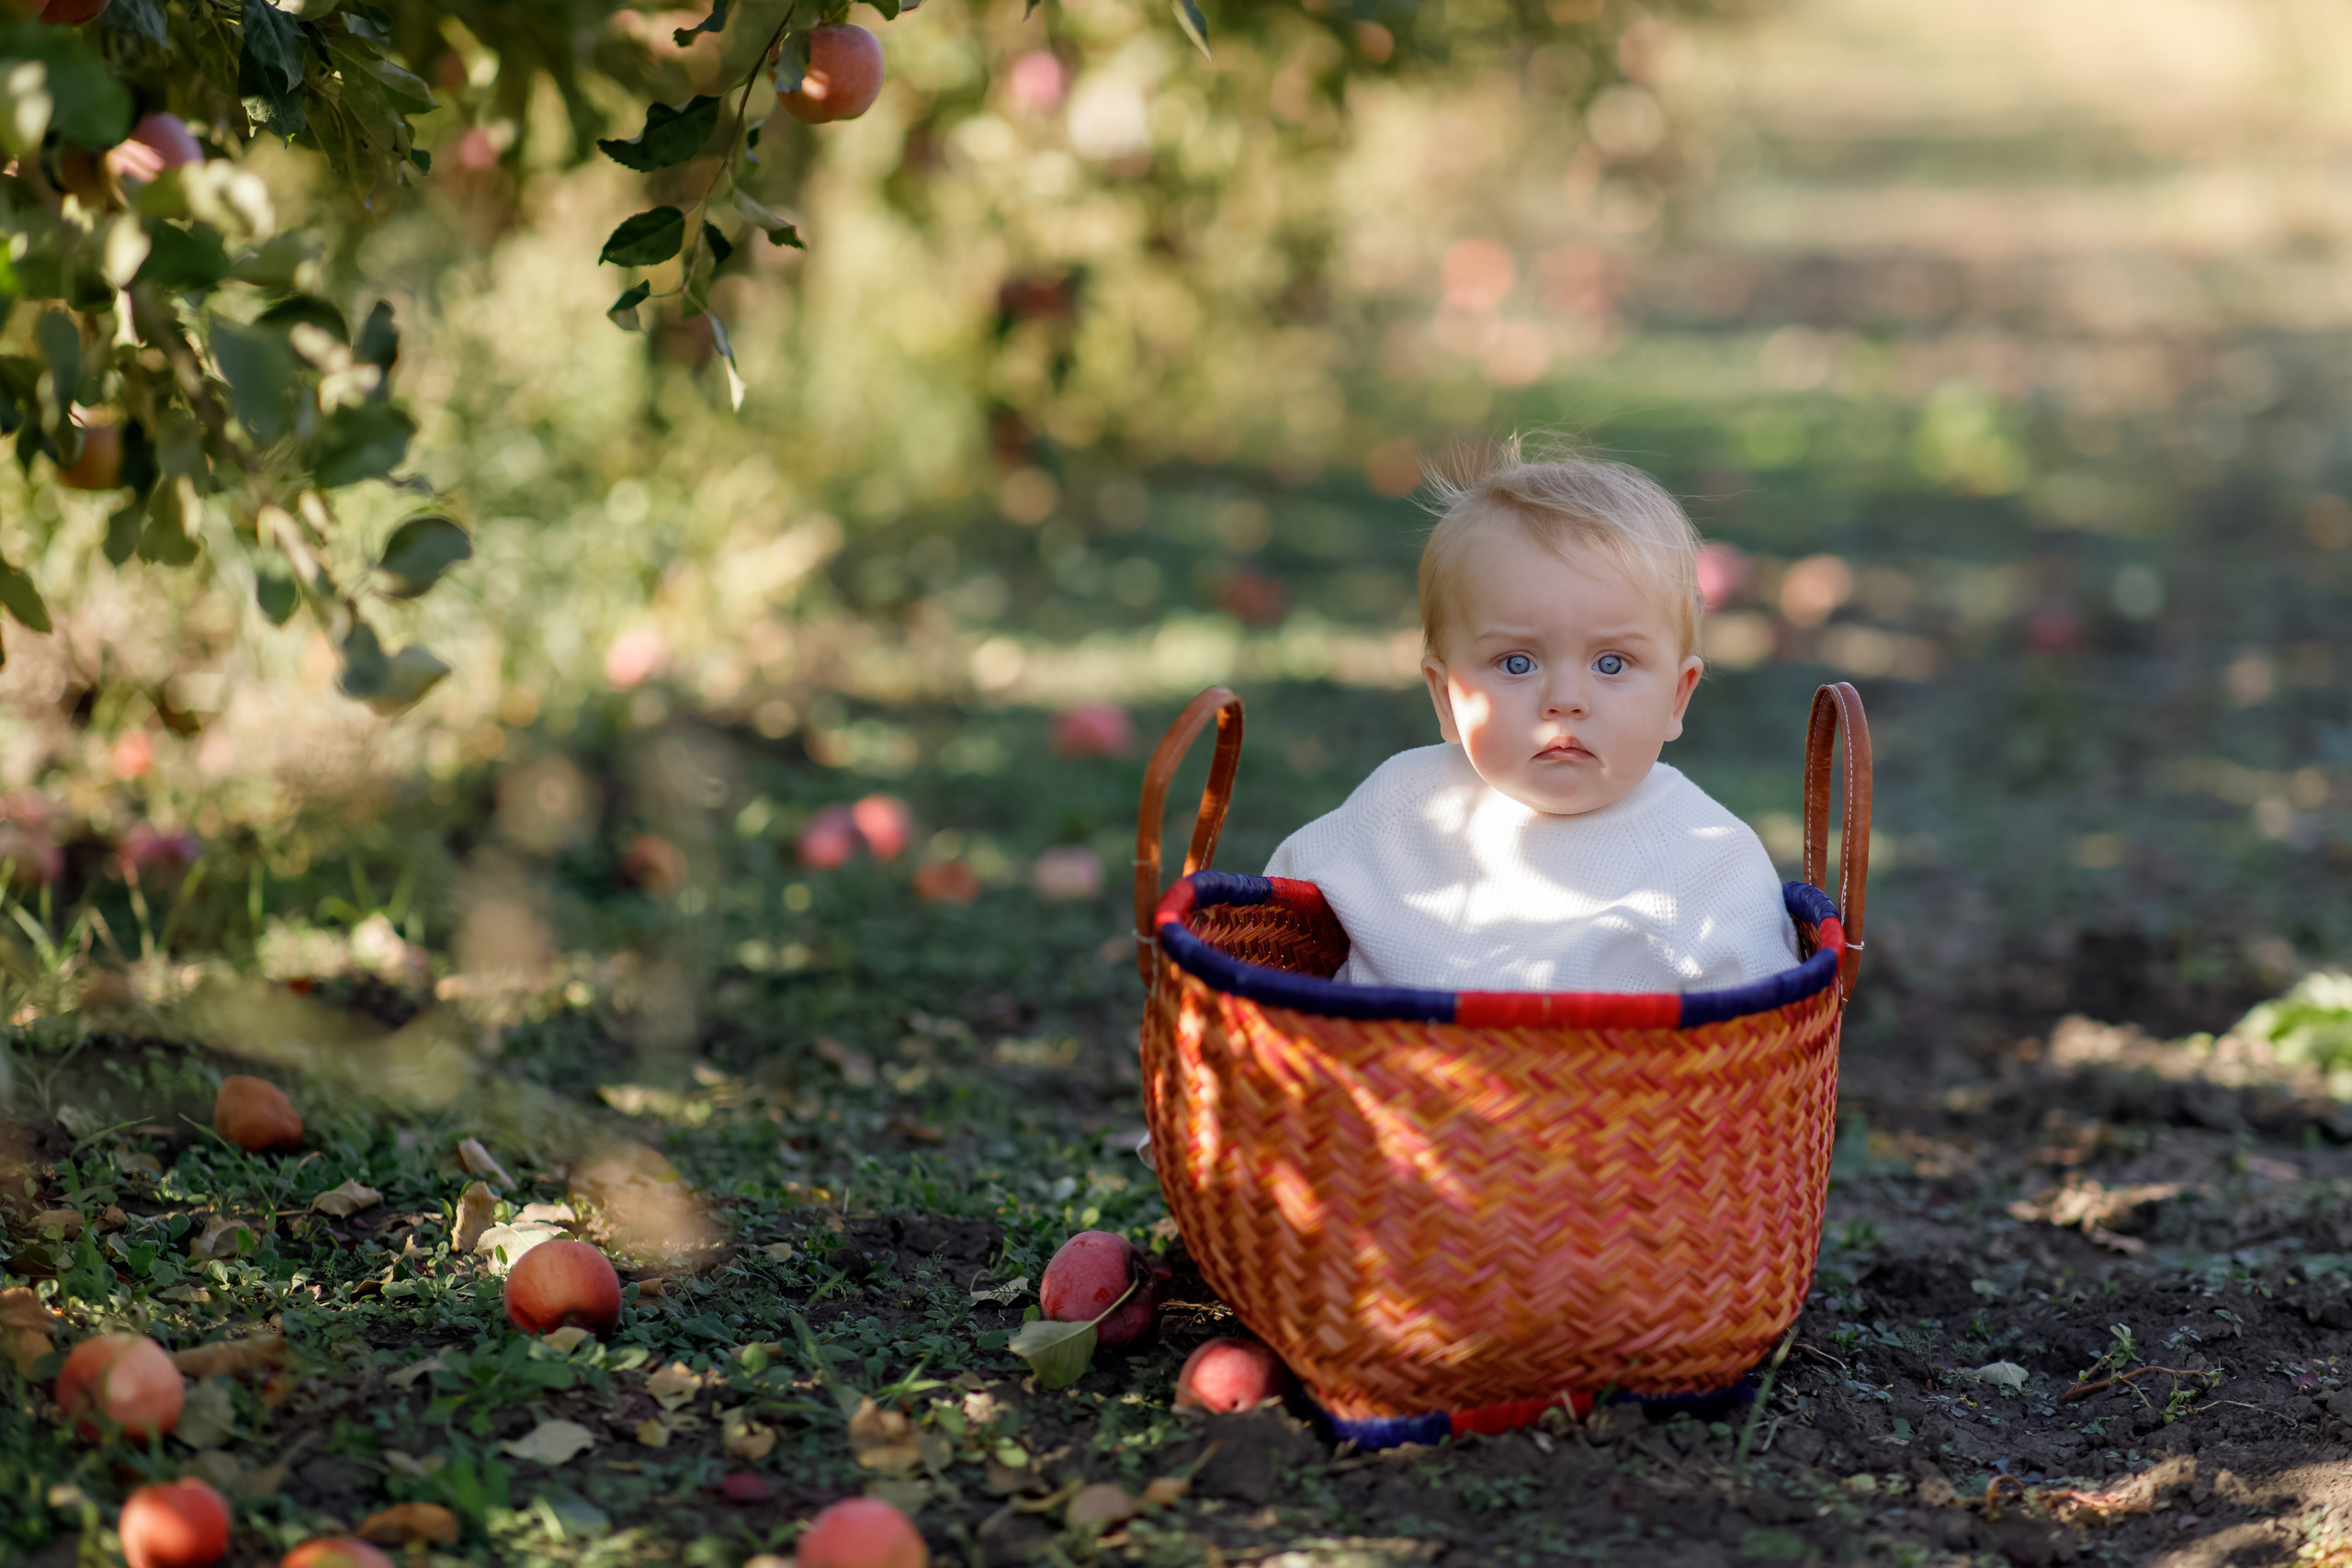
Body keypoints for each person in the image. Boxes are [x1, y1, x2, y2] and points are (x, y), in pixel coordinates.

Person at [1265, 447, 1797, 993]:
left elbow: (1762, 1043)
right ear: (1447, 698)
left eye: (1611, 663)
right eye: (1516, 663)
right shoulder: (1398, 809)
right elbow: (1270, 931)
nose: (1564, 700)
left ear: (1676, 698)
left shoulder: (1710, 858)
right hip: (1382, 1076)